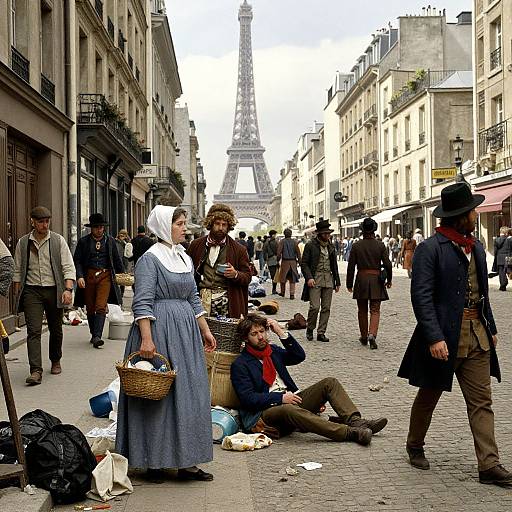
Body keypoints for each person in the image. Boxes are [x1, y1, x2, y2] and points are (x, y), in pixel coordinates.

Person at [398, 183, 512, 487]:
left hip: (477, 335)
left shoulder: (474, 246)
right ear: (461, 215)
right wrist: (434, 337)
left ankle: (489, 465)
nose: (476, 214)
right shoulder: (430, 248)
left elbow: (482, 293)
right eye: (473, 210)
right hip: (444, 336)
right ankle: (414, 444)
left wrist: (491, 326)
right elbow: (421, 296)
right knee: (429, 393)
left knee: (481, 401)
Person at [116, 205, 217, 483]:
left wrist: (205, 330)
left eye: (184, 223)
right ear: (164, 226)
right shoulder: (150, 259)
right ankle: (154, 462)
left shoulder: (183, 256)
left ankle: (187, 462)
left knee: (190, 395)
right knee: (158, 400)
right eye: (180, 224)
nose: (185, 228)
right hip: (160, 331)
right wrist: (146, 339)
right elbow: (142, 301)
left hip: (186, 334)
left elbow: (193, 298)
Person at [230, 313, 388, 445]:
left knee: (329, 382)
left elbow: (298, 356)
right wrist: (280, 398)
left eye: (262, 331)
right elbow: (248, 399)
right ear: (246, 338)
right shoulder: (240, 364)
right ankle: (349, 433)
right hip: (266, 413)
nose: (260, 337)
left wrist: (280, 332)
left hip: (291, 399)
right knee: (288, 407)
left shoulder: (272, 351)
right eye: (254, 334)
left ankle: (356, 421)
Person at [13, 206, 76, 385]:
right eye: (41, 221)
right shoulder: (23, 242)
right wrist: (17, 293)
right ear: (32, 221)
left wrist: (68, 289)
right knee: (33, 330)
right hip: (32, 291)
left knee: (56, 329)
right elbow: (18, 269)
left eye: (47, 221)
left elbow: (68, 266)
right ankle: (35, 371)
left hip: (53, 289)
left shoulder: (58, 241)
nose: (45, 225)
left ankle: (55, 359)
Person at [187, 204, 252, 318]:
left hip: (227, 301)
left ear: (229, 226)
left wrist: (235, 274)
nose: (221, 228)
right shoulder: (196, 245)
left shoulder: (239, 249)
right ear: (210, 224)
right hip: (201, 299)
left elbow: (247, 276)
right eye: (217, 224)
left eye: (224, 225)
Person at [73, 213, 124, 348]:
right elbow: (77, 260)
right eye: (96, 227)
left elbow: (117, 259)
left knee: (100, 305)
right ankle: (93, 333)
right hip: (89, 275)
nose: (99, 230)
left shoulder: (111, 241)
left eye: (101, 227)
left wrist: (123, 275)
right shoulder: (83, 242)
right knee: (90, 307)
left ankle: (97, 336)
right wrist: (79, 276)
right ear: (91, 228)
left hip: (105, 276)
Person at [346, 218, 392, 350]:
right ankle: (372, 334)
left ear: (362, 230)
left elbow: (351, 266)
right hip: (376, 279)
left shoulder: (356, 246)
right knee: (375, 310)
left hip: (361, 278)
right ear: (374, 230)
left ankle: (364, 336)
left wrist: (349, 283)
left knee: (362, 310)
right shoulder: (380, 245)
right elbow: (388, 264)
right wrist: (389, 279)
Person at [300, 220, 340, 342]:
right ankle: (310, 328)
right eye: (325, 233)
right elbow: (304, 263)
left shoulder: (331, 246)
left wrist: (337, 281)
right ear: (319, 234)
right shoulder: (310, 245)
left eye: (328, 233)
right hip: (315, 278)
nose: (328, 235)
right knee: (315, 307)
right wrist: (309, 277)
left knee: (326, 308)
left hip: (328, 278)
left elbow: (334, 265)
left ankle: (321, 332)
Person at [277, 228, 301, 300]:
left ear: (284, 234)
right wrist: (300, 261)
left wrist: (277, 260)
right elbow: (298, 253)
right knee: (292, 279)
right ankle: (292, 294)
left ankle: (282, 292)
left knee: (283, 279)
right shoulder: (295, 242)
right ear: (291, 234)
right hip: (293, 262)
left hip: (285, 262)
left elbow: (279, 253)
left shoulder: (282, 242)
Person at [492, 226, 511, 291]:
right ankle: (504, 282)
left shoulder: (497, 240)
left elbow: (495, 250)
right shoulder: (509, 239)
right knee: (507, 270)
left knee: (501, 272)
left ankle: (503, 285)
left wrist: (496, 257)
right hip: (508, 257)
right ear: (506, 232)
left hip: (499, 258)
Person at [115, 229, 131, 298]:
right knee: (117, 279)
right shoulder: (116, 242)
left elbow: (128, 253)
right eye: (121, 235)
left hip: (124, 262)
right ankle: (117, 294)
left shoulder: (126, 243)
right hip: (118, 262)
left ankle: (121, 294)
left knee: (123, 280)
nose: (122, 237)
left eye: (124, 235)